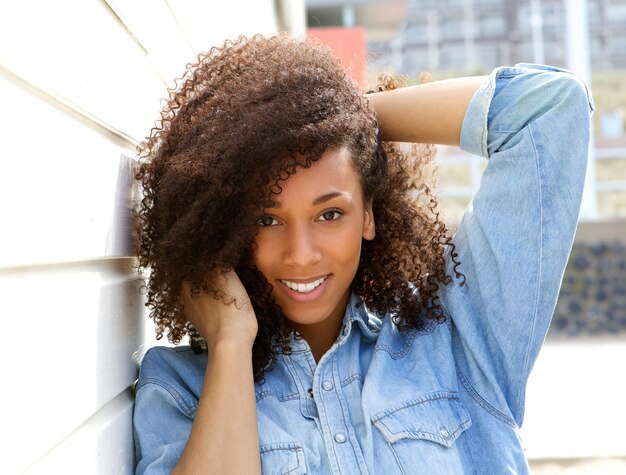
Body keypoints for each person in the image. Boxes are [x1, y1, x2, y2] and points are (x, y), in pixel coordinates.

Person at [132, 35, 594, 474]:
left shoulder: (456, 339)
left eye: (329, 214)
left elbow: (549, 107)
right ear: (226, 225)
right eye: (266, 220)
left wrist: (335, 119)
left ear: (368, 214)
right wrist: (231, 341)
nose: (301, 254)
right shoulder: (183, 388)